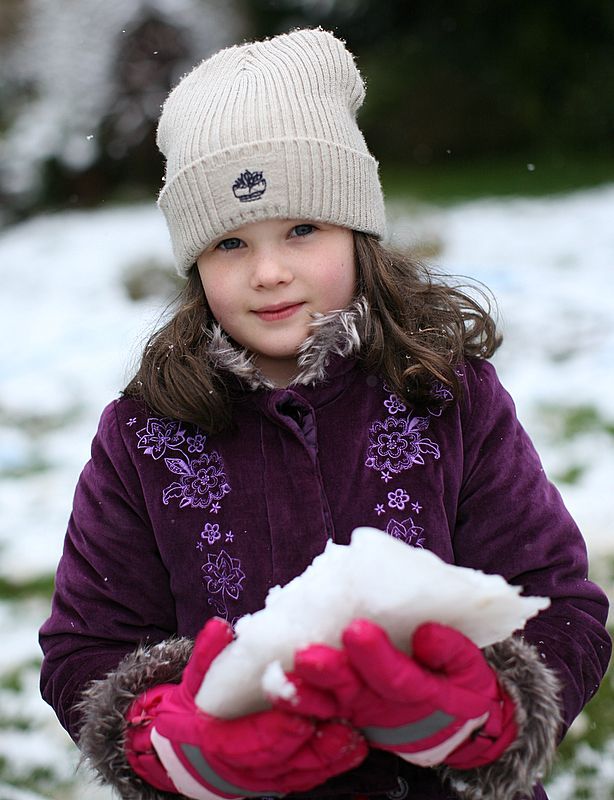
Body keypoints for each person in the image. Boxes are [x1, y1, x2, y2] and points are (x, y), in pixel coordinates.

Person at [39, 27, 610, 800]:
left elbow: (558, 600)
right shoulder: (143, 437)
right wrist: (172, 741)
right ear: (195, 262)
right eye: (230, 242)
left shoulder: (448, 396)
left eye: (302, 229)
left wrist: (484, 713)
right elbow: (86, 645)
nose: (270, 271)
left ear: (355, 230)